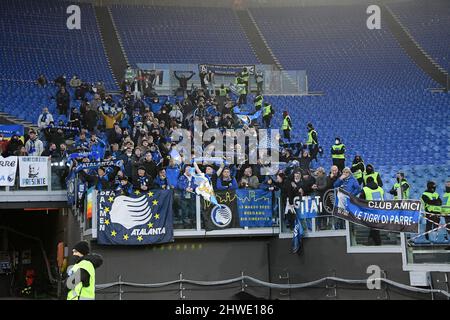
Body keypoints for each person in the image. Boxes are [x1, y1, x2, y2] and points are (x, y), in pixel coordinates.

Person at [360, 176, 384, 245]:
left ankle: (377, 242)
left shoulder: (365, 189)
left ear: (366, 182)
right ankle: (374, 241)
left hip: (370, 211)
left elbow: (361, 200)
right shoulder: (380, 189)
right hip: (380, 211)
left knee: (373, 227)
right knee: (374, 227)